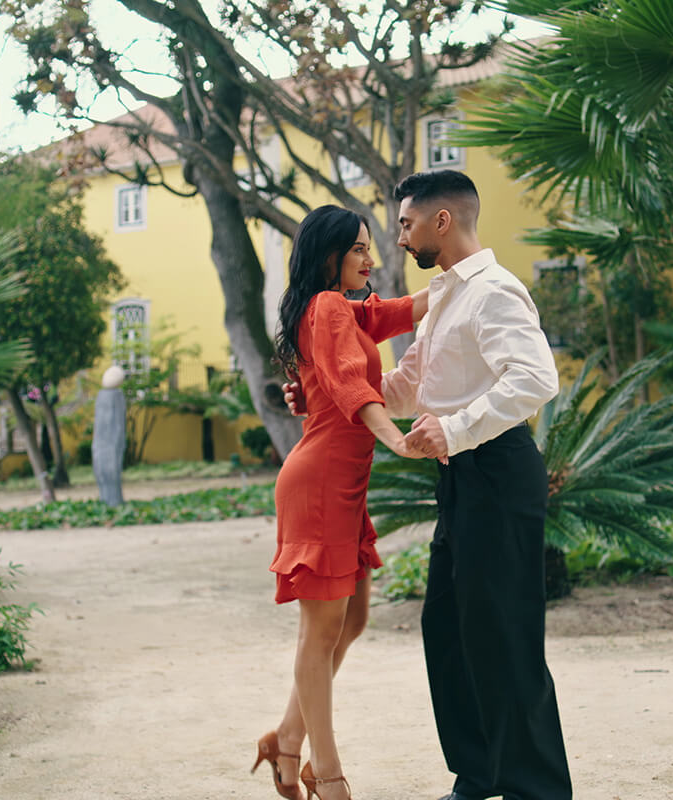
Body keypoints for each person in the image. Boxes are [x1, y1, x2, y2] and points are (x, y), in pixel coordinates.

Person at [285, 170, 573, 800]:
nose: (399, 239)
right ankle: (479, 774)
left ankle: (537, 790)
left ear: (443, 221)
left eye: (406, 225)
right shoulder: (445, 295)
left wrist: (458, 428)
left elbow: (534, 379)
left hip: (498, 469)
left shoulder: (495, 290)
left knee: (505, 633)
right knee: (447, 628)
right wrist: (318, 395)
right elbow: (405, 382)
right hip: (460, 478)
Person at [253, 204, 429, 800]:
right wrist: (398, 439)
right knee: (321, 630)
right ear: (328, 254)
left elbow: (400, 311)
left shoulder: (339, 308)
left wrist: (467, 273)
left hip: (338, 484)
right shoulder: (328, 305)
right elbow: (354, 379)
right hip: (322, 481)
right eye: (358, 249)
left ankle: (284, 738)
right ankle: (325, 774)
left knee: (351, 621)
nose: (370, 258)